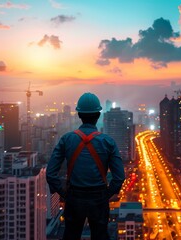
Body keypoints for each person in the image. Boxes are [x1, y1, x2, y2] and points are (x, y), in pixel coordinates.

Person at [46, 92, 125, 240]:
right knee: (100, 236)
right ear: (98, 114)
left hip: (74, 197)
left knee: (71, 236)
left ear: (79, 114)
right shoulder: (108, 142)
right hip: (99, 198)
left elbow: (50, 174)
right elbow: (119, 177)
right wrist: (106, 195)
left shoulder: (66, 139)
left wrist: (64, 194)